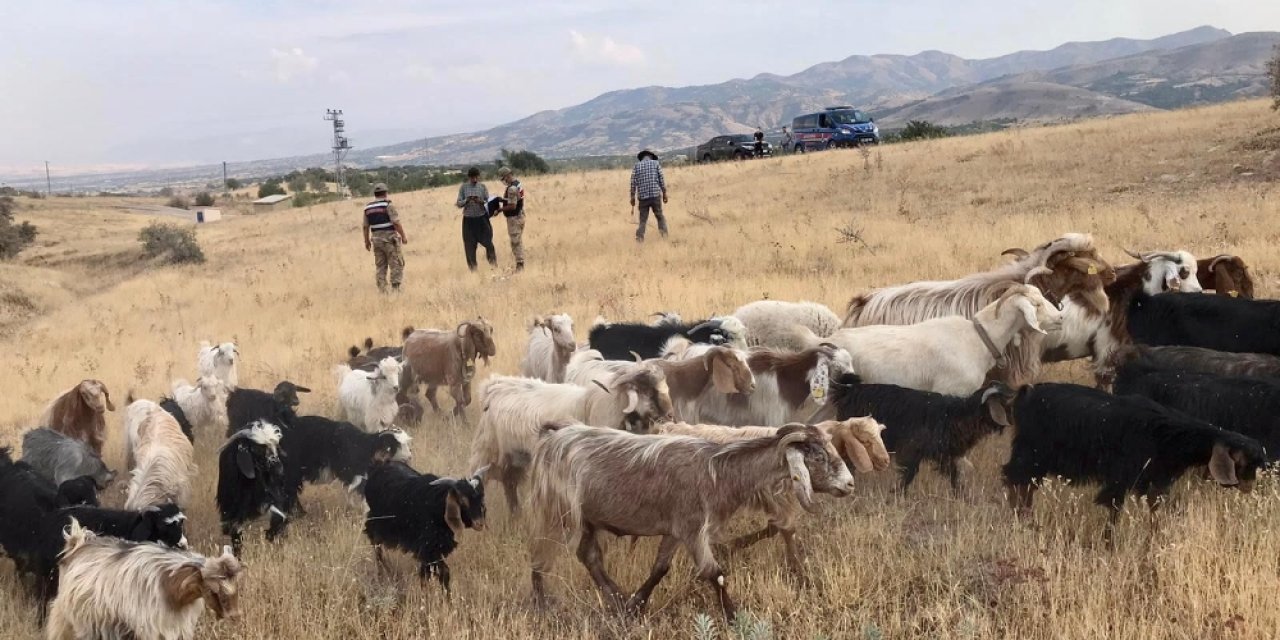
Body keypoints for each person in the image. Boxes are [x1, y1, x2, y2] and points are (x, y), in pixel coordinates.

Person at [362, 182, 408, 292]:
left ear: (375, 194)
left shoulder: (368, 208)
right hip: (390, 240)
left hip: (376, 241)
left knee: (380, 266)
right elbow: (396, 223)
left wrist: (367, 241)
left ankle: (382, 289)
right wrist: (403, 236)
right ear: (385, 193)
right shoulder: (388, 205)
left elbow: (365, 226)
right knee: (396, 263)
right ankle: (395, 288)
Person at [456, 167, 496, 271]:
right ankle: (473, 271)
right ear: (469, 177)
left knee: (489, 244)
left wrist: (480, 201)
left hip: (482, 219)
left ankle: (493, 266)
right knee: (469, 247)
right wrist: (467, 200)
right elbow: (458, 203)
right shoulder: (463, 188)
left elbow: (488, 202)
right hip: (468, 221)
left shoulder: (482, 187)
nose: (475, 179)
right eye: (472, 177)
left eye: (476, 177)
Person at [629, 149, 668, 242]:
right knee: (659, 216)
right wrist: (664, 193)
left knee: (643, 220)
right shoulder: (656, 164)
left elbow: (633, 183)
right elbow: (661, 180)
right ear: (651, 156)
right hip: (655, 196)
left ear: (642, 157)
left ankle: (639, 238)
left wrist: (632, 197)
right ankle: (665, 237)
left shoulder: (636, 166)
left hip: (643, 198)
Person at [495, 166, 526, 272]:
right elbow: (515, 199)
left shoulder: (512, 188)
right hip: (520, 215)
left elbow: (512, 205)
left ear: (508, 176)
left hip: (514, 218)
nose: (503, 181)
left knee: (515, 241)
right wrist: (503, 199)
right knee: (518, 240)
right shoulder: (518, 183)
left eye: (504, 178)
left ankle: (520, 264)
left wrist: (499, 210)